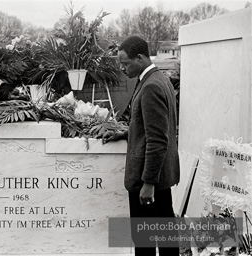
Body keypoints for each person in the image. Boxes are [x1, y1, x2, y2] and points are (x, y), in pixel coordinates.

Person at [101, 36, 180, 256]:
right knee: (166, 239)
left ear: (140, 57)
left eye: (125, 63)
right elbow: (153, 127)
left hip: (150, 179)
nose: (122, 68)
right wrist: (126, 133)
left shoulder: (150, 86)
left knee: (145, 245)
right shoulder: (159, 79)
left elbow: (157, 139)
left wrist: (148, 183)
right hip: (162, 176)